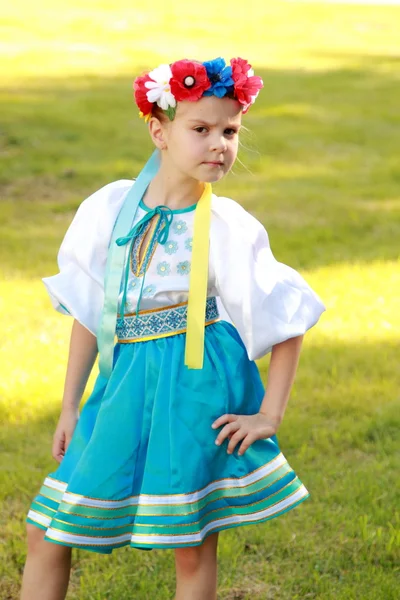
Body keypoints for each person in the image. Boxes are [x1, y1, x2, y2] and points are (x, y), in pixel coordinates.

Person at [21, 57, 326, 600]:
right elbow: (93, 313)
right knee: (45, 531)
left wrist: (269, 414)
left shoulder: (228, 227)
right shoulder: (111, 208)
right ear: (159, 132)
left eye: (229, 131)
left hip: (192, 387)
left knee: (190, 542)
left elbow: (286, 318)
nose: (219, 145)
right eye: (201, 129)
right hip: (121, 383)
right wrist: (71, 405)